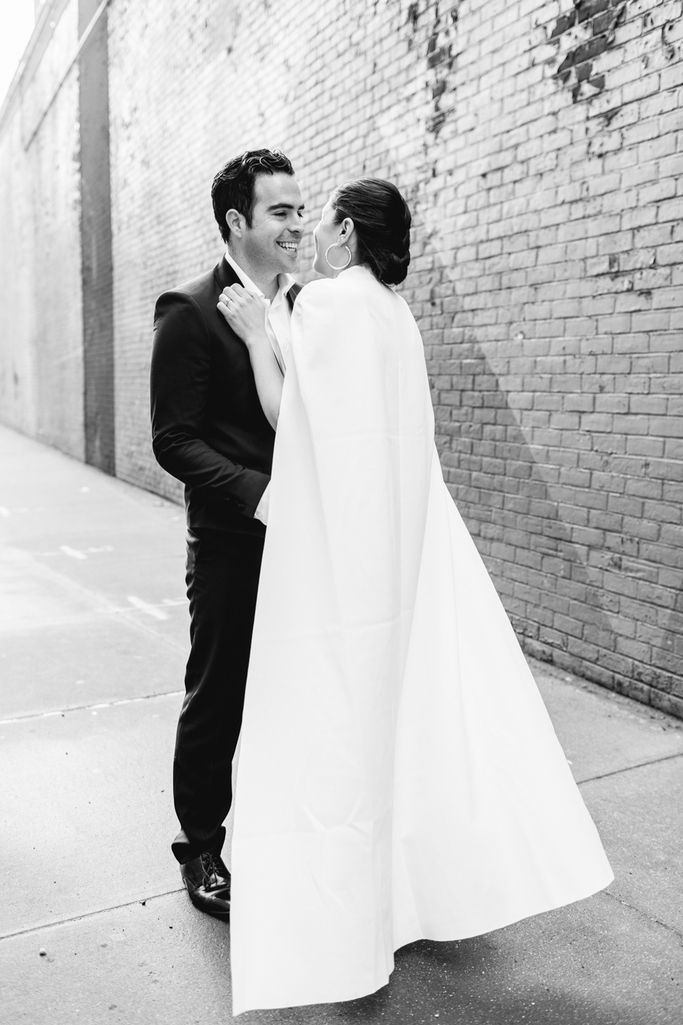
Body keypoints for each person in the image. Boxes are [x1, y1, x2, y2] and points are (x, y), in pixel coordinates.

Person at [218, 178, 613, 1015]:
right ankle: (409, 893)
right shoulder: (393, 316)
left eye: (321, 218)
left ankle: (347, 926)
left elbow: (296, 420)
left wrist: (260, 334)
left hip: (347, 565)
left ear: (350, 231)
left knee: (335, 728)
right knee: (404, 722)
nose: (311, 231)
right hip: (404, 552)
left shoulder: (328, 308)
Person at [149, 149, 305, 919]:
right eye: (280, 211)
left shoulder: (308, 303)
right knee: (219, 694)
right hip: (232, 543)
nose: (297, 225)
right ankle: (202, 846)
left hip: (313, 541)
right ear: (236, 221)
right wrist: (261, 494)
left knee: (300, 692)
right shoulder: (189, 308)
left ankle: (292, 837)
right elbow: (173, 439)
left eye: (300, 210)